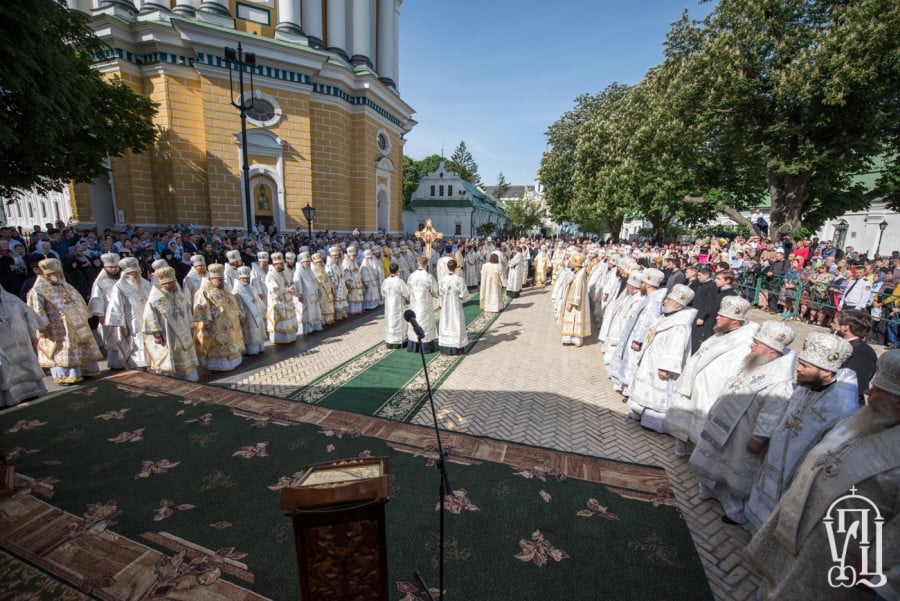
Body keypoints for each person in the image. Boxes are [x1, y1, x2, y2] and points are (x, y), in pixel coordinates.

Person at [746, 350, 900, 600]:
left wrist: (876, 567)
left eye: (878, 391)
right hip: (799, 527)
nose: (868, 394)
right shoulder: (865, 420)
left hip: (840, 555)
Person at [744, 332, 859, 534]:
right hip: (775, 460)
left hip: (799, 474)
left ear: (825, 371)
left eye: (804, 366)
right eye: (799, 362)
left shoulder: (842, 407)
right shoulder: (806, 385)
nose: (797, 369)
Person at [689, 320, 797, 525]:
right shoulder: (754, 361)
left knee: (735, 468)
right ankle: (710, 490)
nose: (751, 344)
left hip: (744, 432)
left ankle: (735, 508)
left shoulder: (779, 381)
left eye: (757, 343)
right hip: (725, 422)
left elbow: (772, 412)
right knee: (715, 458)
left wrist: (758, 437)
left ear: (772, 352)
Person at [664, 296, 759, 455]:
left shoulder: (744, 344)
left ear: (735, 322)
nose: (717, 317)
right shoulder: (721, 333)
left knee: (703, 429)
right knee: (688, 422)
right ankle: (686, 447)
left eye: (722, 316)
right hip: (698, 388)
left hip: (712, 391)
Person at [627, 283, 698, 431]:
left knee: (657, 391)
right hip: (652, 359)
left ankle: (654, 421)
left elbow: (676, 348)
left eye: (669, 300)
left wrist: (666, 368)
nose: (664, 301)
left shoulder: (680, 324)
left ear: (678, 305)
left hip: (662, 365)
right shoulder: (668, 316)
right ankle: (638, 411)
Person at [27, 258, 102, 385]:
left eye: (59, 272)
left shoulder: (65, 286)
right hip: (57, 328)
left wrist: (83, 317)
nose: (58, 276)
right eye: (54, 274)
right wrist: (42, 327)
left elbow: (78, 301)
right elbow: (36, 310)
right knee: (62, 350)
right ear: (46, 274)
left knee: (81, 347)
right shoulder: (38, 290)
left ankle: (85, 370)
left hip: (76, 324)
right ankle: (65, 376)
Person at [608, 268, 667, 393]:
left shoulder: (654, 300)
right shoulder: (650, 297)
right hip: (634, 334)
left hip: (638, 339)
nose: (641, 286)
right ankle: (624, 384)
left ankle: (629, 389)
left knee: (632, 362)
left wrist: (638, 340)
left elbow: (647, 321)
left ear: (647, 284)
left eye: (642, 283)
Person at [143, 266, 199, 381]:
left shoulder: (179, 294)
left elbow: (186, 310)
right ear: (162, 283)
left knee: (186, 354)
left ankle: (189, 376)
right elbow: (149, 317)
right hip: (167, 333)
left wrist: (191, 325)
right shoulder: (155, 298)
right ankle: (173, 378)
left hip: (184, 331)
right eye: (168, 283)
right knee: (170, 355)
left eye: (173, 282)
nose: (172, 285)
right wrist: (156, 334)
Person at [0, 286, 47, 406]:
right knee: (6, 370)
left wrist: (33, 334)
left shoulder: (13, 300)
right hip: (3, 347)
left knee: (26, 365)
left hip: (21, 342)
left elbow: (30, 315)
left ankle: (31, 391)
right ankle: (8, 399)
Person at [193, 263, 244, 372]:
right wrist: (206, 323)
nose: (221, 282)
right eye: (218, 280)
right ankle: (219, 366)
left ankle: (233, 362)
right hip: (215, 324)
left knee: (230, 341)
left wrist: (239, 314)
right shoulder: (204, 291)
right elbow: (201, 307)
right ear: (211, 279)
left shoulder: (224, 288)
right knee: (218, 345)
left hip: (230, 323)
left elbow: (233, 302)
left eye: (222, 279)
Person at [104, 257, 152, 369]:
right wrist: (122, 326)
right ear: (126, 273)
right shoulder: (119, 287)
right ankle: (139, 366)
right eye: (132, 273)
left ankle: (151, 363)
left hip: (148, 318)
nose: (136, 274)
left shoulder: (145, 283)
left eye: (137, 272)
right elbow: (116, 307)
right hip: (132, 320)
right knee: (136, 342)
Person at [88, 252, 125, 369]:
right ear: (105, 267)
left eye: (116, 267)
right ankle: (115, 363)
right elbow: (97, 298)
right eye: (111, 267)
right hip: (109, 313)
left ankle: (128, 360)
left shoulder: (123, 277)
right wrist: (100, 315)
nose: (114, 269)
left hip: (124, 312)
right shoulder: (100, 282)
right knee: (113, 338)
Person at [601, 270, 645, 366]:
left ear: (633, 286)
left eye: (628, 284)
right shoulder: (630, 295)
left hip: (621, 330)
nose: (626, 286)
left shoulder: (638, 299)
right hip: (616, 326)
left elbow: (628, 319)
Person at [834, 309, 878, 405]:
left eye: (835, 323)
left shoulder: (862, 353)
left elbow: (856, 389)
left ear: (846, 327)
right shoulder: (845, 346)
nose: (832, 325)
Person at [406, 255, 439, 353]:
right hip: (424, 303)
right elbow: (435, 291)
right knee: (425, 321)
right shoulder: (428, 276)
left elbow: (408, 289)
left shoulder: (411, 276)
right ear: (427, 264)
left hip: (414, 302)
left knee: (415, 320)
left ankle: (414, 345)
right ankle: (425, 346)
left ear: (417, 263)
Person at [558, 252, 591, 347]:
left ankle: (572, 338)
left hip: (573, 303)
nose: (571, 265)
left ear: (576, 264)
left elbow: (577, 292)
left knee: (573, 319)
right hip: (572, 301)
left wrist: (571, 303)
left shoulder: (580, 277)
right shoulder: (579, 273)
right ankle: (572, 338)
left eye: (572, 263)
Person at [232, 265, 266, 356]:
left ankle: (260, 347)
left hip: (256, 314)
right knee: (251, 333)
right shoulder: (236, 291)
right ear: (240, 278)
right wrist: (241, 316)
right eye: (244, 278)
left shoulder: (252, 287)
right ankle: (251, 350)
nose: (246, 280)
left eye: (248, 278)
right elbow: (237, 306)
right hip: (247, 315)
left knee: (258, 330)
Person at [265, 252, 298, 344]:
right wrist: (287, 290)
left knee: (288, 320)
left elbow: (287, 283)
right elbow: (274, 292)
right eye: (281, 264)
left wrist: (291, 287)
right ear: (276, 264)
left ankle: (290, 337)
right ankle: (281, 339)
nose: (283, 265)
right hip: (278, 302)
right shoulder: (271, 275)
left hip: (286, 300)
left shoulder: (281, 273)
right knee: (282, 322)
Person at [438, 259, 468, 355]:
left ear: (448, 267)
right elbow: (464, 294)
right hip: (455, 304)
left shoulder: (443, 279)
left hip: (446, 304)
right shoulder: (459, 279)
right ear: (456, 268)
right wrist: (460, 297)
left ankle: (446, 345)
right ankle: (457, 346)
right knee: (456, 322)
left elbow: (441, 292)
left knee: (446, 322)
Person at [381, 262, 411, 349]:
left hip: (389, 305)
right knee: (399, 320)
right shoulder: (399, 281)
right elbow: (407, 293)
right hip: (397, 305)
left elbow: (382, 292)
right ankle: (399, 340)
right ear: (398, 271)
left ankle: (390, 340)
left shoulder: (385, 281)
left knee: (390, 321)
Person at [690, 267, 718, 354]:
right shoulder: (702, 285)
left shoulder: (710, 287)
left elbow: (709, 304)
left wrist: (702, 317)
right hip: (697, 313)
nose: (698, 277)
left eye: (700, 275)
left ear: (706, 276)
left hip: (702, 316)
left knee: (698, 337)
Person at [310, 252, 335, 326]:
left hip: (326, 288)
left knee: (328, 303)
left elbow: (327, 277)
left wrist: (330, 286)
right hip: (321, 289)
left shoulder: (322, 268)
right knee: (323, 305)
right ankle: (324, 321)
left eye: (320, 262)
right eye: (318, 262)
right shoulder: (313, 270)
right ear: (314, 262)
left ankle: (330, 319)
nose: (319, 263)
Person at [326, 246, 349, 320]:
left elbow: (342, 273)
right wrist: (334, 283)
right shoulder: (329, 265)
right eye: (334, 255)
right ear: (331, 256)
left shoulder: (339, 264)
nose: (336, 257)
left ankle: (343, 314)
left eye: (337, 255)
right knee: (337, 301)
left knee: (342, 299)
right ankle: (337, 316)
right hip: (335, 285)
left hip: (341, 284)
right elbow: (329, 276)